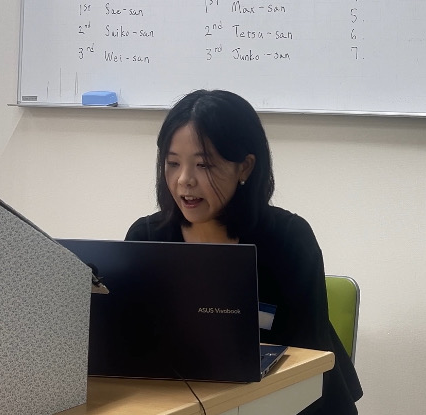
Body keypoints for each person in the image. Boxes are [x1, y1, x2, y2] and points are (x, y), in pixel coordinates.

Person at [126, 89, 363, 415]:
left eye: (203, 164)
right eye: (172, 163)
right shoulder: (147, 239)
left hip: (289, 403)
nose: (184, 180)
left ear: (245, 168)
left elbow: (307, 361)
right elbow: (130, 348)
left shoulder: (288, 240)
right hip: (183, 401)